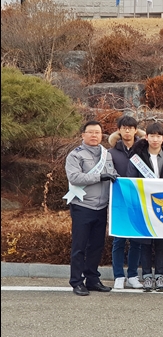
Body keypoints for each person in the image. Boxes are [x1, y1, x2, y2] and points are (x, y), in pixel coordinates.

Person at [64, 120, 118, 296]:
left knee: (96, 246)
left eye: (98, 132)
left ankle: (93, 279)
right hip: (83, 206)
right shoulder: (75, 155)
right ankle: (76, 281)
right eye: (91, 132)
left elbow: (112, 174)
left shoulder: (106, 154)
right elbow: (74, 177)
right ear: (83, 135)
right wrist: (99, 177)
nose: (94, 135)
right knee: (79, 246)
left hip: (101, 207)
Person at [126, 122, 163, 292]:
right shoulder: (137, 157)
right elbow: (131, 179)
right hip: (144, 205)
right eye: (152, 136)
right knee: (145, 243)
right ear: (146, 137)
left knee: (161, 242)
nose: (155, 139)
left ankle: (160, 276)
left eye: (158, 136)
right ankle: (147, 276)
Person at [108, 115, 145, 290]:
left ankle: (132, 275)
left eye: (131, 127)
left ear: (136, 130)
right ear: (119, 130)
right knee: (119, 239)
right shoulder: (111, 152)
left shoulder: (143, 150)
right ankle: (118, 275)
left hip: (139, 200)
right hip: (119, 201)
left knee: (136, 239)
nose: (127, 130)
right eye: (124, 128)